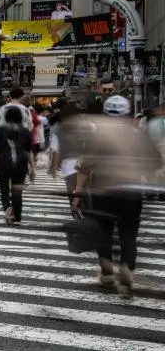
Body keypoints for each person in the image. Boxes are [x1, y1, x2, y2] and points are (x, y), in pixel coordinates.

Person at [69, 95, 162, 298]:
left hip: (104, 190)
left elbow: (84, 167)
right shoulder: (138, 134)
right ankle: (127, 270)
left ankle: (107, 273)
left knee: (103, 233)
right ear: (127, 112)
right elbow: (155, 163)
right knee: (129, 237)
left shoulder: (98, 133)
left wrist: (77, 193)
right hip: (131, 191)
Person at [0, 105, 33, 225]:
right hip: (21, 164)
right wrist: (32, 168)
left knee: (4, 189)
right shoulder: (25, 132)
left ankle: (8, 210)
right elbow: (29, 151)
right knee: (17, 190)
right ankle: (17, 214)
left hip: (2, 164)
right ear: (20, 118)